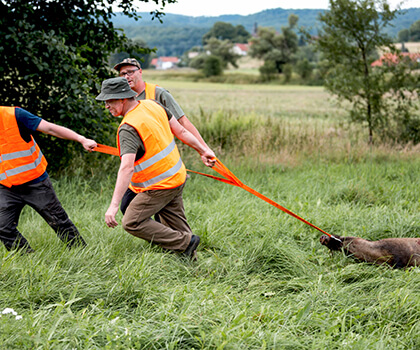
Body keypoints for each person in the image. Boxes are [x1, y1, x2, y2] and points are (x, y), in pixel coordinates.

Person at [96, 77, 216, 260]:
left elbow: (126, 168)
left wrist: (113, 206)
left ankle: (186, 244)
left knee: (131, 222)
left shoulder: (128, 128)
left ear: (122, 99)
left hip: (158, 185)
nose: (106, 106)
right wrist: (203, 150)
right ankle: (192, 264)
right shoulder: (152, 104)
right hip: (176, 177)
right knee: (177, 226)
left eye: (109, 100)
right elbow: (182, 132)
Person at [113, 58, 209, 214]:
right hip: (140, 169)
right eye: (122, 73)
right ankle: (170, 236)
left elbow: (183, 123)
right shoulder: (122, 99)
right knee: (129, 207)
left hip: (163, 168)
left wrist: (204, 149)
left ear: (140, 72)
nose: (126, 76)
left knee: (159, 211)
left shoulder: (157, 94)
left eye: (130, 72)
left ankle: (170, 237)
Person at [0, 106, 97, 253]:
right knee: (3, 227)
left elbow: (49, 128)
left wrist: (81, 139)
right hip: (6, 186)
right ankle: (28, 260)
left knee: (59, 222)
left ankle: (82, 254)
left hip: (35, 182)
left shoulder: (14, 115)